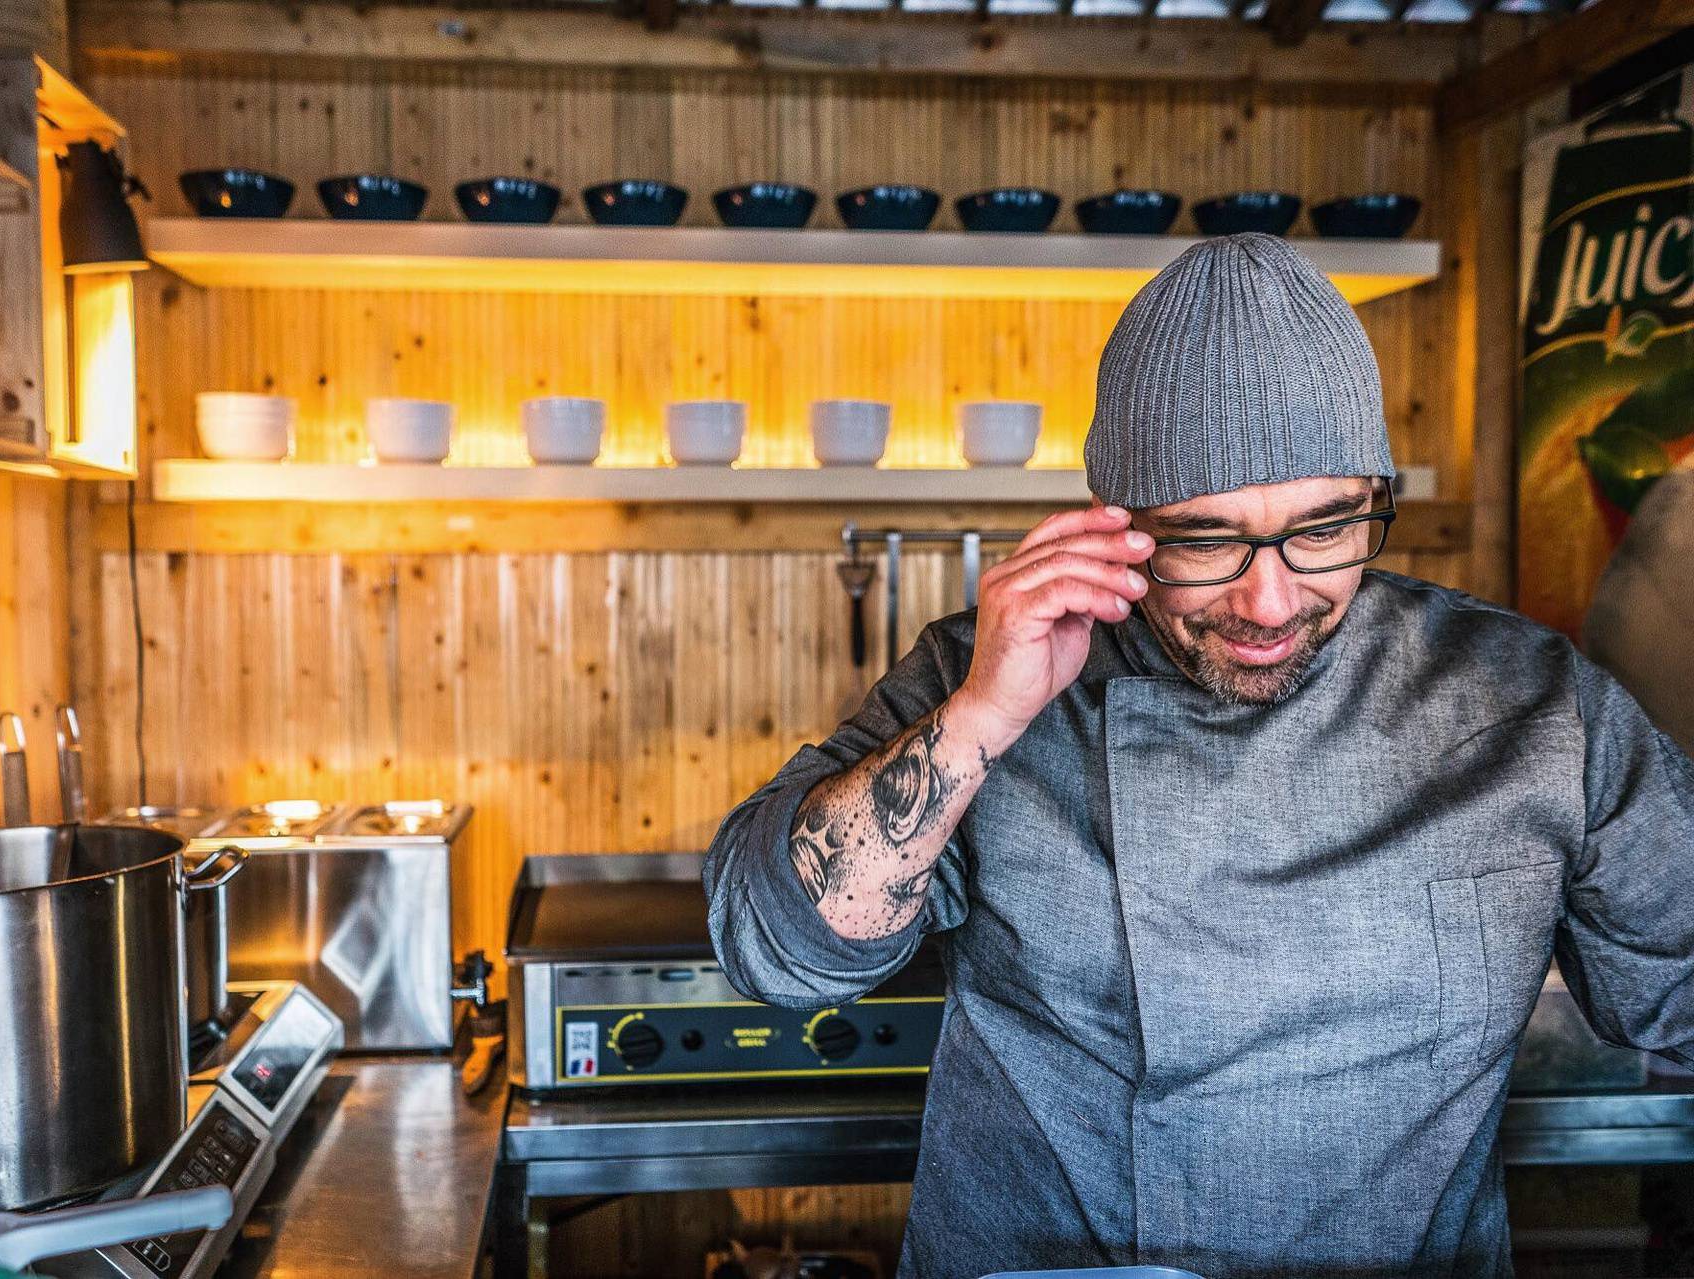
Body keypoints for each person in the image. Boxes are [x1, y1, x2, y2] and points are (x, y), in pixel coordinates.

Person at [703, 233, 1694, 1279]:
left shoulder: (1528, 701)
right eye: (1205, 540)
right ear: (1114, 526)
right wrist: (988, 711)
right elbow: (773, 953)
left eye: (1326, 528)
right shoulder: (987, 676)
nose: (1270, 601)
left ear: (1371, 493)